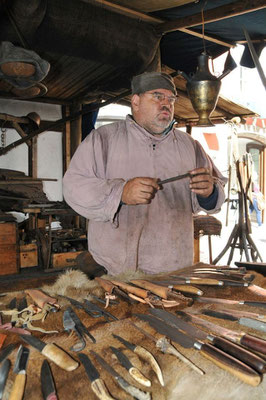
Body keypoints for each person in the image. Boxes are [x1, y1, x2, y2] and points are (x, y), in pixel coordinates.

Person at [63, 72, 227, 275]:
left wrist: (209, 193)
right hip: (114, 269)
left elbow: (214, 194)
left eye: (171, 99)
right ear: (136, 101)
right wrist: (120, 193)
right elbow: (73, 188)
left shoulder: (189, 145)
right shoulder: (103, 139)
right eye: (158, 96)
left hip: (174, 267)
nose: (166, 104)